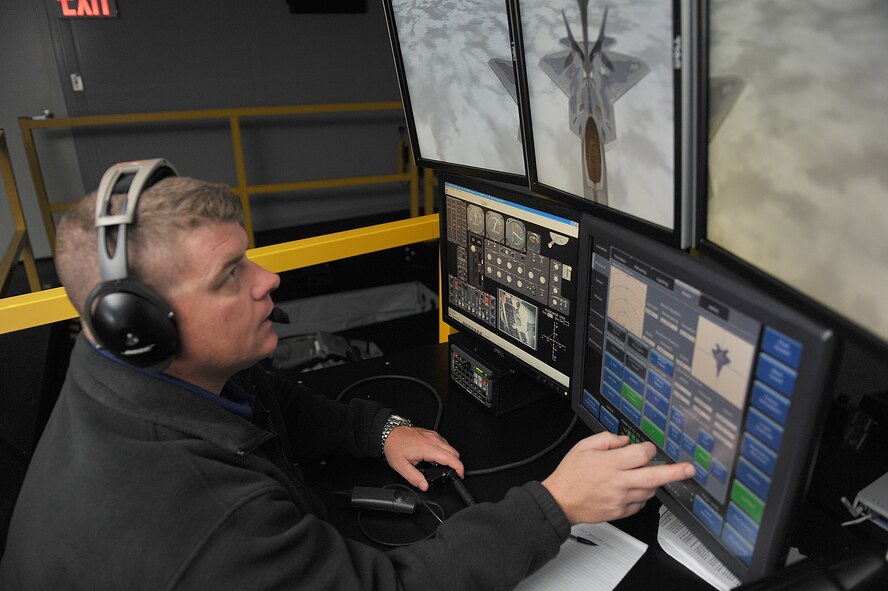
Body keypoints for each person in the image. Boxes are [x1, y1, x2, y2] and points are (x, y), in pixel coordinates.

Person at [0, 162, 696, 590]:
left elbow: (258, 400)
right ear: (144, 325)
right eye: (229, 275)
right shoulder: (206, 518)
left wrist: (377, 428)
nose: (269, 279)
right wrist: (555, 503)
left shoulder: (114, 374)